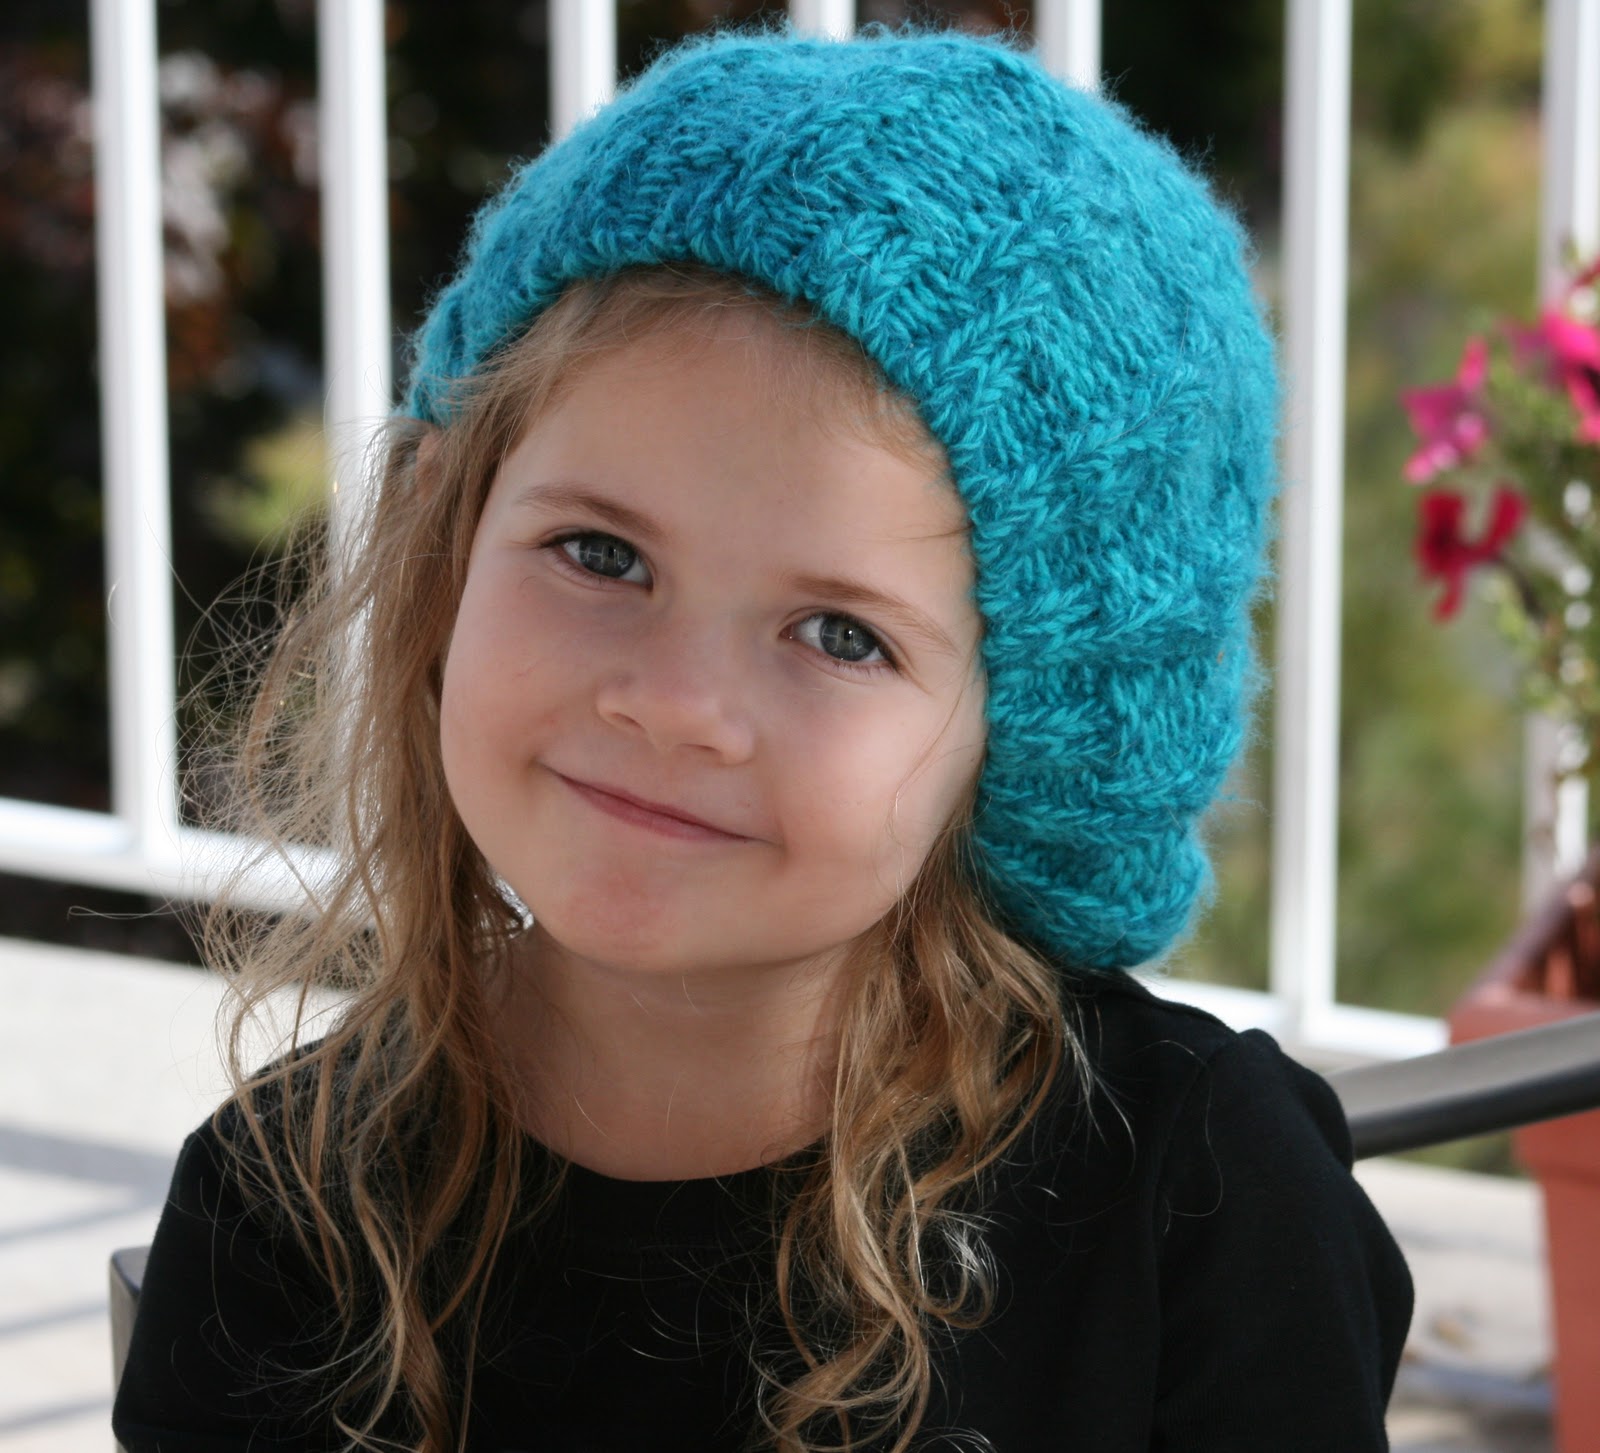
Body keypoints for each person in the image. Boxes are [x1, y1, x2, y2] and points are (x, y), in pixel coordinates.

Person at [112, 21, 1413, 1453]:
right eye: (601, 553)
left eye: (840, 635)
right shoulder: (284, 1214)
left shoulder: (1195, 1206)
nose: (674, 703)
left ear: (1031, 731)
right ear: (449, 534)